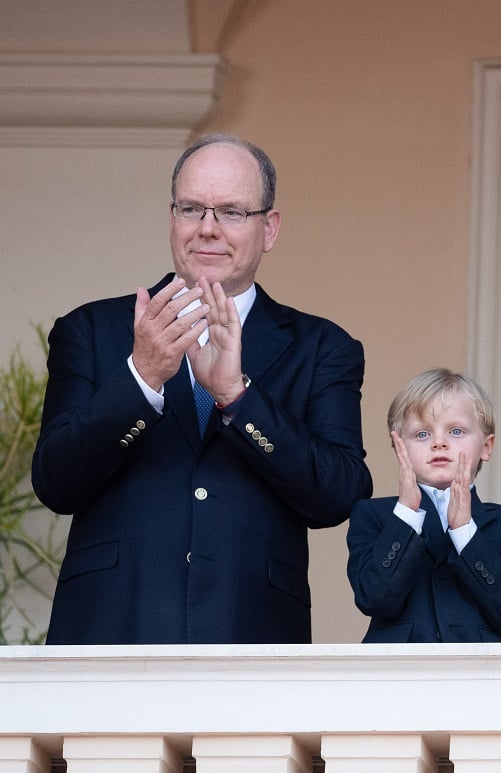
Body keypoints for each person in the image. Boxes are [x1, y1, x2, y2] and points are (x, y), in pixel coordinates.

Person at [32, 133, 373, 645]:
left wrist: (239, 397)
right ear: (172, 218)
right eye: (193, 208)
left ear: (269, 228)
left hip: (252, 638)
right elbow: (55, 483)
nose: (208, 229)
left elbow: (339, 495)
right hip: (109, 634)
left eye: (231, 212)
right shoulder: (92, 330)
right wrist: (141, 378)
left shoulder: (323, 347)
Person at [346, 368, 501, 644]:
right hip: (397, 678)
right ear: (398, 445)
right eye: (422, 434)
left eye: (456, 431)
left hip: (481, 679)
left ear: (486, 446)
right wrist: (406, 515)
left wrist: (465, 532)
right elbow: (375, 599)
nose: (439, 442)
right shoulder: (373, 516)